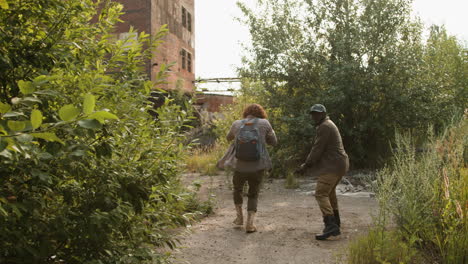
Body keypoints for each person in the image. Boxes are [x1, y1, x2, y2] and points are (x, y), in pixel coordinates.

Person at [217, 103, 277, 233]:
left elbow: (228, 138)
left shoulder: (237, 124)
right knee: (253, 193)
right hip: (258, 166)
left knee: (237, 189)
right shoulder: (265, 123)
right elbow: (274, 142)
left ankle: (239, 218)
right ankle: (250, 224)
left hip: (239, 166)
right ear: (261, 113)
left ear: (246, 113)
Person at [297, 104, 349, 240]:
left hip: (333, 166)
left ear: (324, 113)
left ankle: (330, 225)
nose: (315, 116)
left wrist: (306, 165)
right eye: (313, 113)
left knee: (320, 194)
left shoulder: (324, 126)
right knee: (330, 194)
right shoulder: (328, 124)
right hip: (339, 164)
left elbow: (317, 149)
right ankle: (336, 222)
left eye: (318, 113)